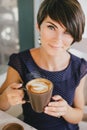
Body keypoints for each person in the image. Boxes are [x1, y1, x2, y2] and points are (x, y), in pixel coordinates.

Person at [0, 0, 87, 129]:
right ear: (38, 25)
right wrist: (7, 98)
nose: (57, 39)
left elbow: (79, 114)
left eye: (67, 32)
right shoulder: (20, 62)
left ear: (74, 36)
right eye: (51, 27)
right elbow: (1, 105)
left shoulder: (79, 67)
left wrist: (66, 111)